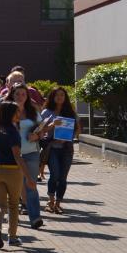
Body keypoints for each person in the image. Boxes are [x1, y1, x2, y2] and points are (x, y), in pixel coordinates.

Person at [0, 100, 39, 249]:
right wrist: (29, 178)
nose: (19, 114)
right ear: (11, 114)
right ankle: (12, 236)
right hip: (12, 171)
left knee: (0, 204)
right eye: (17, 112)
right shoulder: (13, 132)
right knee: (13, 205)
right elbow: (17, 156)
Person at [7, 84, 48, 230]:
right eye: (17, 94)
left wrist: (36, 135)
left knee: (31, 184)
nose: (20, 97)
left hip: (31, 153)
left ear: (27, 96)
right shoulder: (6, 110)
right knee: (14, 187)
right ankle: (13, 216)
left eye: (23, 94)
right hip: (11, 154)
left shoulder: (32, 111)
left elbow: (42, 130)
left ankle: (35, 217)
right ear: (12, 95)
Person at [41, 86, 78, 214]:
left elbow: (77, 130)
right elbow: (40, 130)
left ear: (65, 97)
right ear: (52, 97)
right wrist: (51, 125)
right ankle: (50, 201)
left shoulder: (70, 112)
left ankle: (58, 203)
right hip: (52, 148)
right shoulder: (46, 112)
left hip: (67, 149)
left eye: (62, 95)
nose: (59, 97)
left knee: (63, 178)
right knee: (55, 174)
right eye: (57, 95)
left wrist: (68, 138)